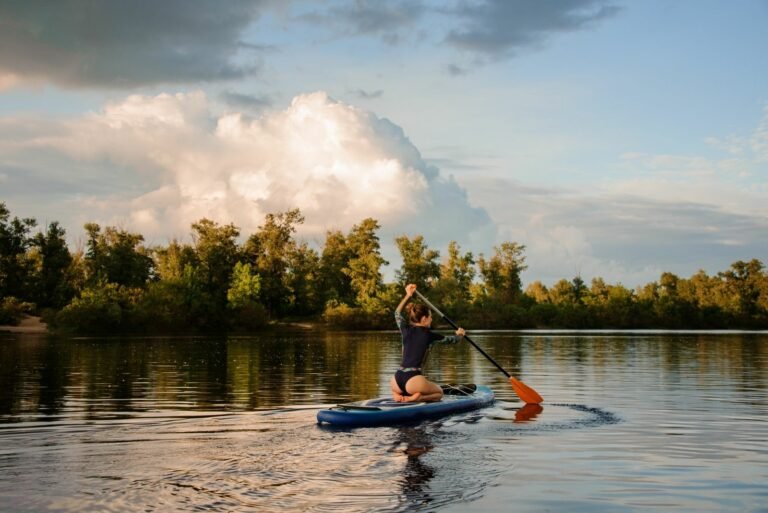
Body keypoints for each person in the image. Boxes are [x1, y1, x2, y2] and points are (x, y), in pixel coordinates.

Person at [391, 283, 466, 403]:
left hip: (396, 379)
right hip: (413, 380)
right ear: (424, 319)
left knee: (401, 388)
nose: (431, 319)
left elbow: (397, 313)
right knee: (439, 393)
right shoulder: (430, 335)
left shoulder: (405, 329)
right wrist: (460, 335)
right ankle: (417, 398)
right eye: (430, 317)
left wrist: (408, 295)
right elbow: (452, 340)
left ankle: (398, 395)